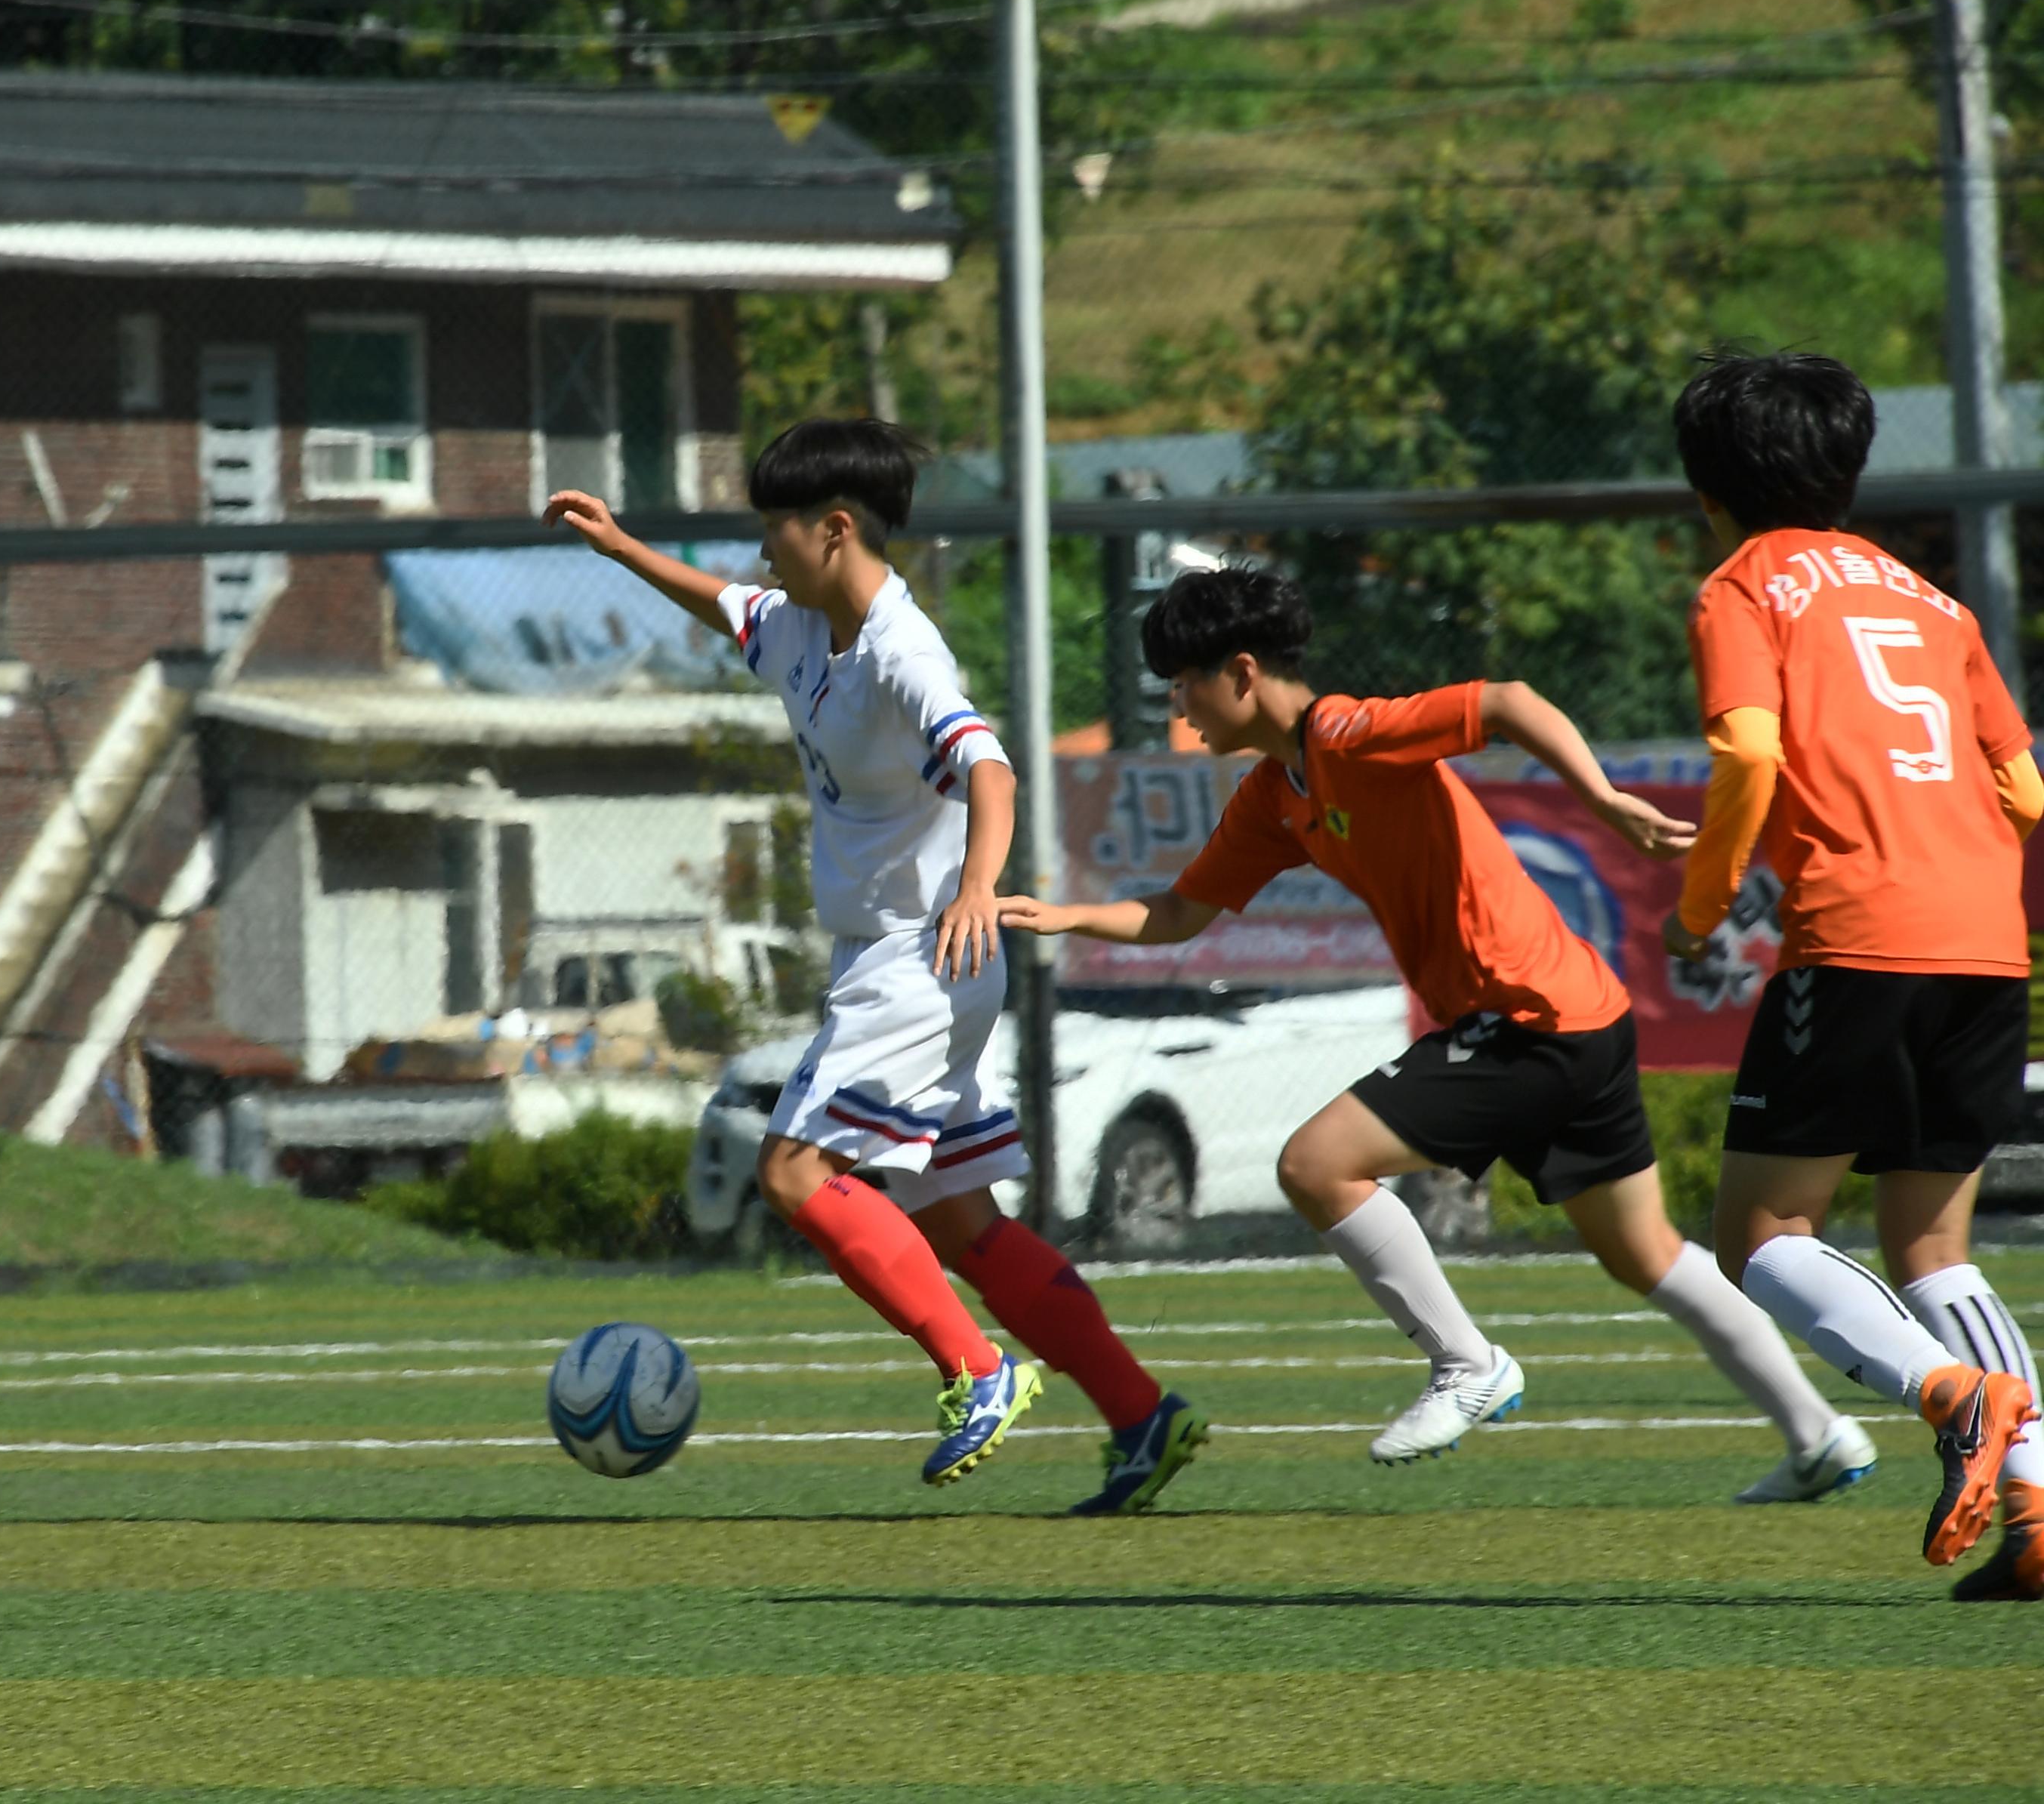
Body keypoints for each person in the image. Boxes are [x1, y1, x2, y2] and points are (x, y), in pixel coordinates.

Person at [1000, 564, 1877, 1496]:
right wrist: (1061, 918)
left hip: (1527, 1016)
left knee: (1315, 1164)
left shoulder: (1345, 731)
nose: (1180, 707)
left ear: (1244, 671)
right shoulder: (1274, 794)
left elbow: (1506, 700)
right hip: (1580, 1012)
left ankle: (1469, 1363)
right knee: (1645, 1252)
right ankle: (1820, 1433)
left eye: (1184, 683)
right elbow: (1179, 913)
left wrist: (1602, 798)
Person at [544, 417, 1207, 1510]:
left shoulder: (903, 651)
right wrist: (622, 549)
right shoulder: (806, 628)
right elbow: (723, 605)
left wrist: (982, 887)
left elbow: (991, 774)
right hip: (906, 961)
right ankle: (1142, 1413)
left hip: (924, 955)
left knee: (796, 1173)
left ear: (836, 529)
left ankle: (979, 1373)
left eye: (776, 534)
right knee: (964, 1223)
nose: (764, 557)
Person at [1662, 350, 2042, 1596]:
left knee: (1758, 1230)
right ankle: (2037, 1506)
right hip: (1985, 936)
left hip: (1855, 932)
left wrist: (1701, 902)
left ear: (1703, 484)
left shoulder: (1741, 585)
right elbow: (2020, 788)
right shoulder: (1935, 603)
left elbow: (1750, 758)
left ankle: (1947, 1396)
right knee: (1933, 1242)